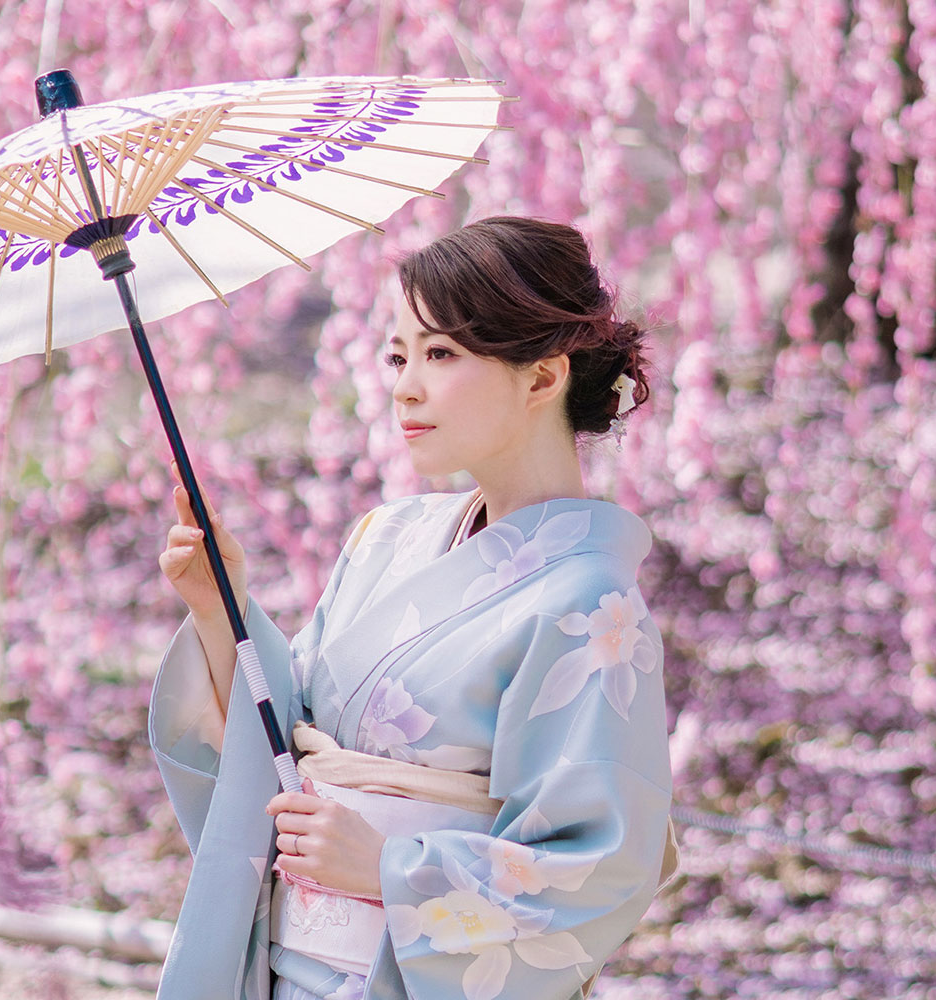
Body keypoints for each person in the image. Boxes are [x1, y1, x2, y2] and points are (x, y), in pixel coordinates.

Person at [150, 216, 674, 1000]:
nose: (404, 386)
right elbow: (281, 732)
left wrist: (389, 867)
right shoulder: (384, 537)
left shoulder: (590, 603)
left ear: (542, 377)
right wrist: (221, 612)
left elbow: (596, 863)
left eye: (441, 354)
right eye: (399, 355)